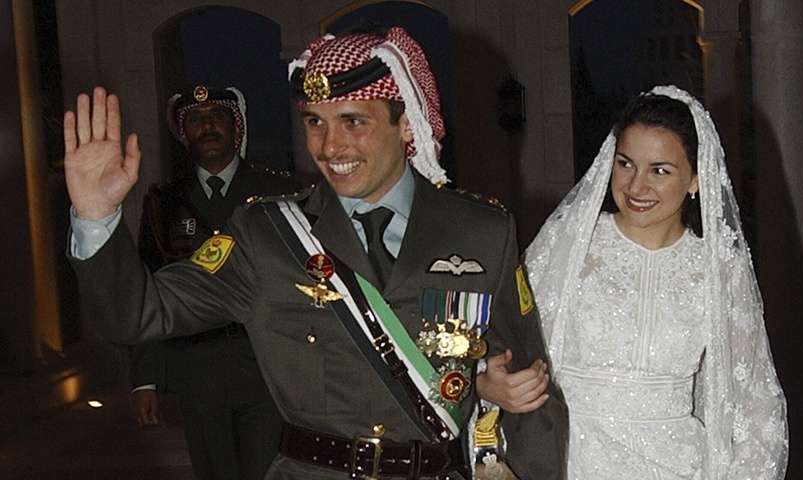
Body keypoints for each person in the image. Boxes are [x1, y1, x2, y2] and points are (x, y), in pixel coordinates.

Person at [62, 26, 568, 479]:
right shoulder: (268, 236)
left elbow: (532, 391)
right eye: (314, 122)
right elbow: (136, 314)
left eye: (353, 121)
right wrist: (95, 216)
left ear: (406, 125)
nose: (329, 146)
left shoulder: (481, 231)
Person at [478, 86, 789, 479]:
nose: (636, 187)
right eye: (625, 164)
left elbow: (756, 404)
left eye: (660, 170)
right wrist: (488, 386)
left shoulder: (718, 272)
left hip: (678, 467)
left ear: (695, 179)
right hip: (566, 460)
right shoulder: (569, 244)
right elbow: (498, 342)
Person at [129, 85, 294, 480]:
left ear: (236, 128)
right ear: (182, 133)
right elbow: (147, 290)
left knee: (267, 472)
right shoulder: (163, 203)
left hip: (265, 365)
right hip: (196, 368)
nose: (207, 127)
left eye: (217, 117)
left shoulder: (278, 193)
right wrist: (145, 379)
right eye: (195, 120)